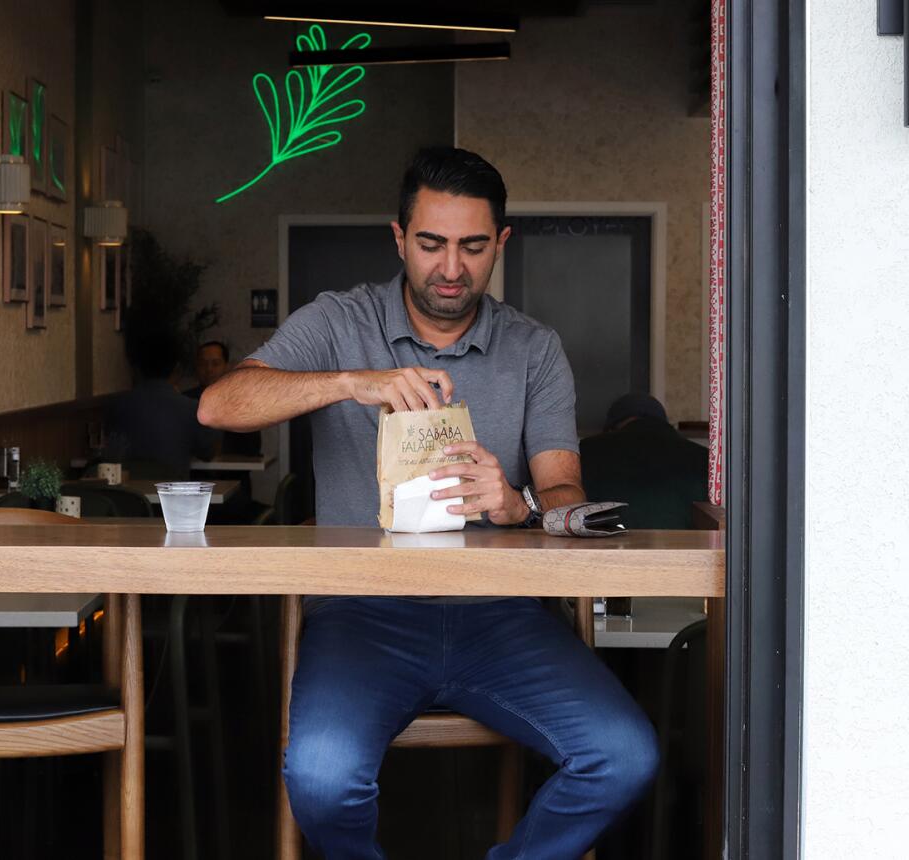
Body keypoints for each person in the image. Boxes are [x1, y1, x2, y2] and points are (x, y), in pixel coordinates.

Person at [198, 147, 658, 858]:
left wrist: (518, 502)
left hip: (499, 612)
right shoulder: (338, 321)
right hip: (361, 612)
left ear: (500, 243)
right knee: (320, 778)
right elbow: (218, 405)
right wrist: (350, 381)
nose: (451, 268)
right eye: (432, 244)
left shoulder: (534, 349)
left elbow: (565, 491)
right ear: (398, 238)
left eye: (474, 247)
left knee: (624, 756)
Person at [103, 304, 219, 479]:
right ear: (176, 369)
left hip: (128, 500)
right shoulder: (191, 409)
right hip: (173, 500)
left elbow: (112, 450)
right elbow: (208, 452)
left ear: (136, 368)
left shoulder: (116, 405)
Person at [579, 393, 709, 529]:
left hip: (605, 547)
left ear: (612, 427)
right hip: (686, 547)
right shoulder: (703, 456)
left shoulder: (587, 451)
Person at [184, 341, 262, 457]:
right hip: (195, 472)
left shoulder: (242, 401)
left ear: (226, 366)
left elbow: (252, 448)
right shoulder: (184, 400)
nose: (209, 369)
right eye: (203, 364)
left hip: (233, 472)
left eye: (215, 364)